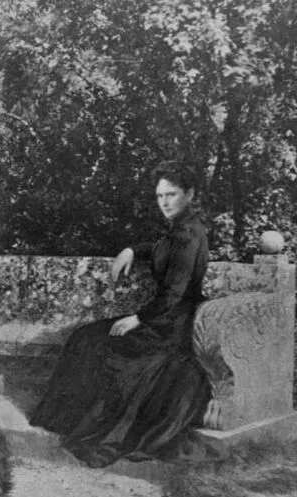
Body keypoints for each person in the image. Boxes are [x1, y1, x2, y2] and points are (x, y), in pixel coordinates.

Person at [29, 160, 215, 468]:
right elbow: (162, 248)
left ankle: (80, 425)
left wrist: (138, 319)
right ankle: (68, 420)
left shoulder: (188, 235)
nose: (164, 202)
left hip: (171, 326)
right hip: (167, 317)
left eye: (171, 194)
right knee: (85, 337)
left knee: (96, 343)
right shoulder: (182, 229)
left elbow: (173, 294)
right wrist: (133, 250)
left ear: (190, 194)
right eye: (159, 196)